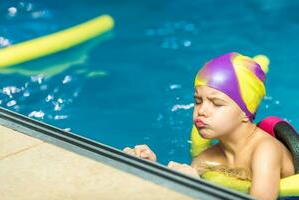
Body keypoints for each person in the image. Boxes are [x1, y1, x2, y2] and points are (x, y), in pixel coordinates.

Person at [123, 52, 295, 200]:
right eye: (198, 101)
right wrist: (150, 168)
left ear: (245, 112)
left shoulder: (265, 150)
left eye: (216, 103)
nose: (201, 111)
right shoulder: (206, 159)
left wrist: (195, 184)